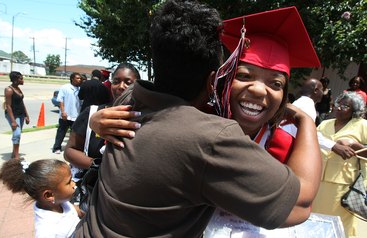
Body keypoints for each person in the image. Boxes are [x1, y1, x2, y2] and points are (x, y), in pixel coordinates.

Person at [75, 1, 320, 237]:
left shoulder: (133, 98)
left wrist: (96, 120)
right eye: (244, 76)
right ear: (217, 81)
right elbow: (300, 205)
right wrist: (307, 119)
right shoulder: (211, 134)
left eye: (275, 83)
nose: (258, 90)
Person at [64, 63, 140, 210]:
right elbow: (70, 151)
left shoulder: (143, 117)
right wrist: (98, 166)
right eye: (116, 81)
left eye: (128, 82)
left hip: (128, 199)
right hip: (94, 194)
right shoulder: (92, 113)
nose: (121, 86)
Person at [312, 91, 367, 238]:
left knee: (340, 224)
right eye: (338, 104)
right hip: (319, 180)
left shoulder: (362, 125)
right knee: (317, 220)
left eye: (345, 106)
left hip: (344, 183)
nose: (339, 107)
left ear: (354, 110)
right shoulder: (324, 123)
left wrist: (354, 144)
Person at [0, 158, 83, 238]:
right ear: (49, 195)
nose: (74, 184)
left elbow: (76, 211)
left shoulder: (58, 202)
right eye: (69, 182)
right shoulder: (47, 231)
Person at [52, 72, 82, 154]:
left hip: (76, 115)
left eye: (80, 78)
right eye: (78, 78)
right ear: (72, 79)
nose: (79, 80)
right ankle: (56, 147)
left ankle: (72, 148)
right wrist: (63, 112)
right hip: (65, 115)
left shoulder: (80, 89)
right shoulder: (65, 87)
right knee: (61, 132)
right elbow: (60, 100)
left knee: (74, 134)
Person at [4, 71, 30, 160]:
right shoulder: (9, 90)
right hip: (12, 115)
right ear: (15, 80)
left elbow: (21, 102)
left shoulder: (18, 88)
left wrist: (27, 115)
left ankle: (14, 152)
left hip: (21, 114)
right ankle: (16, 156)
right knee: (17, 134)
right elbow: (8, 106)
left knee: (17, 134)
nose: (23, 80)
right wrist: (13, 121)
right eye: (21, 78)